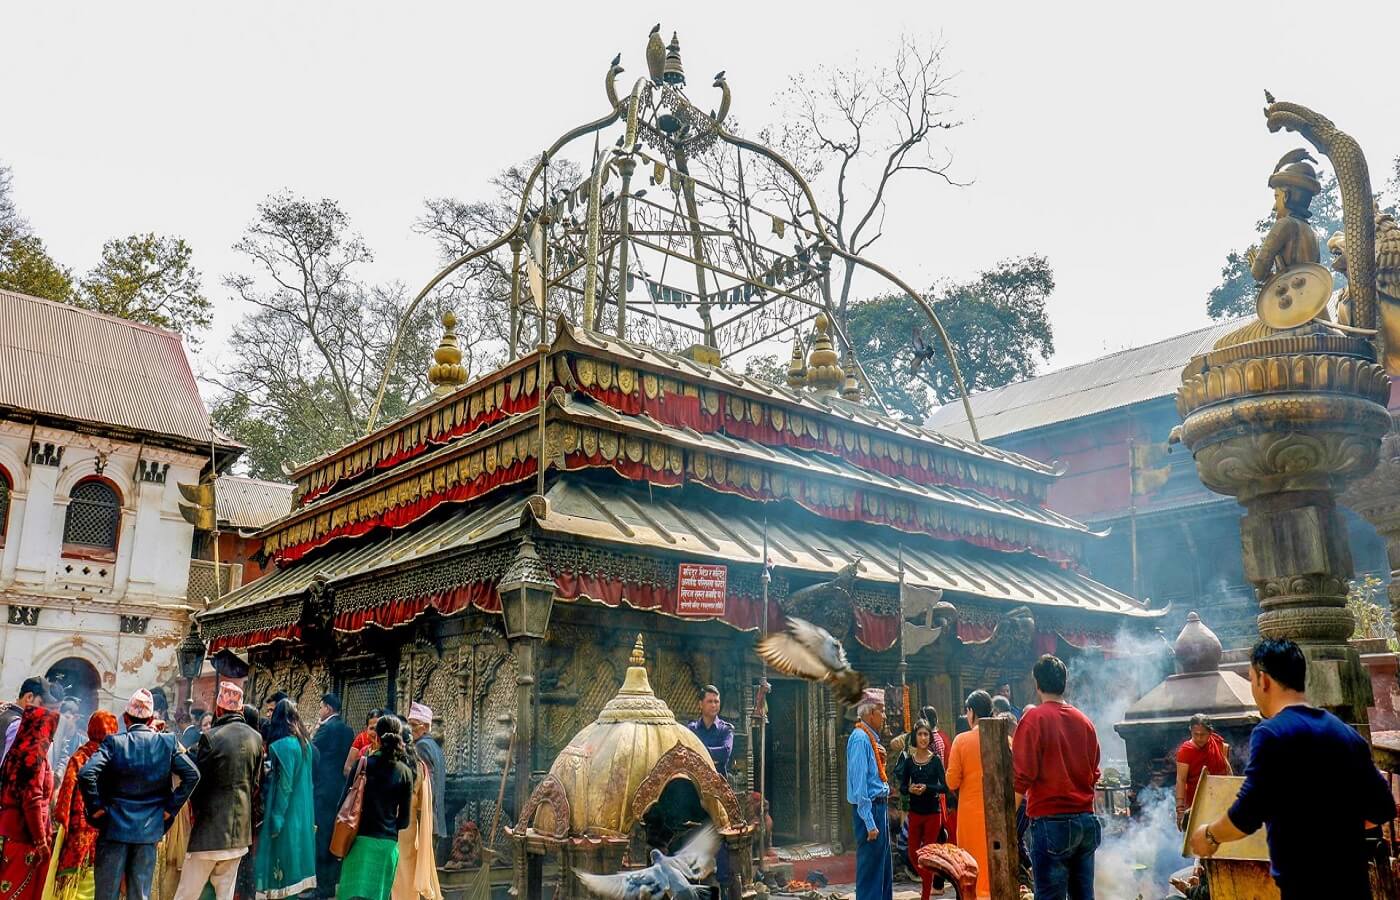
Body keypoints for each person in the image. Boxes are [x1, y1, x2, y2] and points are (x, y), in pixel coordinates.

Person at [1189, 639, 1396, 898]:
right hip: (1353, 886)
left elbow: (1248, 813)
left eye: (1251, 679)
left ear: (1263, 680)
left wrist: (1209, 834)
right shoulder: (1345, 733)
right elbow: (1382, 807)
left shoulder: (1271, 733)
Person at [78, 690, 200, 900]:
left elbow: (86, 773)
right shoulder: (167, 742)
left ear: (125, 718)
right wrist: (170, 809)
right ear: (151, 719)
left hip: (114, 829)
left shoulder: (113, 743)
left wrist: (96, 806)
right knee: (139, 894)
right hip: (148, 831)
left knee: (106, 895)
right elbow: (193, 774)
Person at [1012, 655, 1101, 900]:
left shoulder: (1033, 719)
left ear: (1037, 684)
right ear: (1065, 683)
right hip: (1085, 821)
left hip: (1052, 823)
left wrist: (1007, 818)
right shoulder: (1085, 722)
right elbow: (1094, 773)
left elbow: (1022, 776)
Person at [173, 683, 264, 900]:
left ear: (219, 710)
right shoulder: (256, 738)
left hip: (209, 832)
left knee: (187, 893)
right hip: (239, 833)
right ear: (240, 710)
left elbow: (197, 782)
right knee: (225, 894)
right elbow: (255, 784)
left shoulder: (211, 738)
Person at [338, 716, 414, 900]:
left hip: (358, 843)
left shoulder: (362, 764)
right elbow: (404, 821)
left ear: (376, 738)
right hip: (386, 847)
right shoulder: (405, 772)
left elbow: (342, 805)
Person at [52, 710, 120, 900]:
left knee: (73, 887)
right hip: (108, 833)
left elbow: (65, 799)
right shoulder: (117, 760)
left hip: (79, 832)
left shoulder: (79, 757)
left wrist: (63, 825)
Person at [255, 700, 317, 900]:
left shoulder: (282, 746)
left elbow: (285, 785)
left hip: (286, 811)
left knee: (281, 859)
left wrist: (277, 817)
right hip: (302, 810)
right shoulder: (304, 744)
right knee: (294, 859)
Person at [0, 704, 60, 900]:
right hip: (25, 836)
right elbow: (32, 800)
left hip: (9, 830)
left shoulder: (17, 752)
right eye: (50, 734)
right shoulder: (35, 758)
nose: (51, 740)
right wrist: (41, 841)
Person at [686, 686, 735, 899]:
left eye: (717, 701)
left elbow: (725, 754)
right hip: (694, 788)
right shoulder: (691, 729)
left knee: (721, 833)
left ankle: (724, 884)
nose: (714, 705)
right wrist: (706, 754)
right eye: (710, 701)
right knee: (692, 832)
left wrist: (700, 751)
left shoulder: (725, 729)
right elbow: (687, 752)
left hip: (718, 789)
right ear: (700, 704)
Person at [892, 720, 947, 900]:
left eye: (926, 734)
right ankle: (926, 882)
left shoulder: (936, 760)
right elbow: (902, 788)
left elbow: (944, 787)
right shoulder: (909, 762)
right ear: (915, 737)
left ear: (930, 737)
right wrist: (910, 789)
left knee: (928, 854)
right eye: (920, 734)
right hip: (915, 813)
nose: (923, 738)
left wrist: (928, 788)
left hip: (933, 813)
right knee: (912, 852)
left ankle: (925, 895)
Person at [846, 688, 892, 900]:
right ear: (869, 713)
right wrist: (869, 822)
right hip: (870, 809)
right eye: (881, 711)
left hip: (878, 807)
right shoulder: (860, 739)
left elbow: (873, 776)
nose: (884, 716)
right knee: (871, 872)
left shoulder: (869, 738)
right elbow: (860, 785)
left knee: (881, 870)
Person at [946, 691, 992, 899]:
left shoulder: (962, 740)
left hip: (971, 814)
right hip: (998, 814)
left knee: (971, 865)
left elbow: (952, 781)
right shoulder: (1006, 739)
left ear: (971, 712)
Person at [392, 718, 441, 900]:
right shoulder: (419, 767)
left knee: (397, 872)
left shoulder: (393, 766)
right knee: (406, 871)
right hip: (410, 828)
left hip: (393, 826)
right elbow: (423, 803)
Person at [312, 694, 355, 898]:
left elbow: (312, 752)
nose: (320, 712)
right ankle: (330, 882)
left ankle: (322, 887)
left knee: (322, 837)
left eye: (321, 708)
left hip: (322, 790)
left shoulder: (326, 729)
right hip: (339, 790)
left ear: (328, 708)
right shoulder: (347, 730)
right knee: (332, 837)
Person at [406, 704, 447, 862]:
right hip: (434, 818)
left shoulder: (421, 746)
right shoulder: (435, 746)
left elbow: (426, 784)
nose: (410, 729)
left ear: (424, 727)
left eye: (413, 725)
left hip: (425, 816)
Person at [1175, 714, 1230, 830]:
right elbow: (1181, 780)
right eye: (1196, 734)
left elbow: (1226, 767)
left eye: (1203, 735)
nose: (1199, 738)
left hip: (1220, 799)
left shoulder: (1216, 742)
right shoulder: (1185, 751)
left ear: (1210, 733)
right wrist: (1180, 809)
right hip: (1197, 804)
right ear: (1191, 732)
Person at [0, 676, 51, 766]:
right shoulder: (18, 724)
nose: (43, 710)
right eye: (41, 703)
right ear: (29, 697)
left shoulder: (4, 711)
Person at [344, 710, 381, 778]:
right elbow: (347, 768)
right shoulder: (362, 739)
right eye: (372, 728)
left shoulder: (388, 743)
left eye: (378, 728)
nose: (375, 733)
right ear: (366, 729)